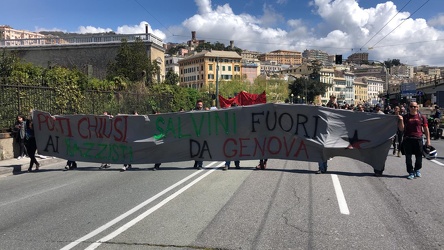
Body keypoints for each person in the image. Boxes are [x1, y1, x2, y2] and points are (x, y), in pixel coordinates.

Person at [398, 102, 430, 180]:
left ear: (417, 107)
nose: (413, 108)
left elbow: (426, 129)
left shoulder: (422, 117)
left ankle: (417, 169)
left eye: (415, 107)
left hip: (418, 139)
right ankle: (411, 172)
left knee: (419, 157)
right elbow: (401, 129)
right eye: (411, 106)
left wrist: (428, 139)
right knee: (408, 157)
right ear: (409, 107)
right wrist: (401, 120)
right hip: (407, 139)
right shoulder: (405, 117)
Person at [193, 100, 205, 170]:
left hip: (202, 134)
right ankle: (196, 161)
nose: (199, 106)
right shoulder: (193, 112)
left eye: (200, 105)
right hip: (195, 133)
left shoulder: (205, 112)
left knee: (201, 149)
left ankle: (200, 164)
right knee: (195, 149)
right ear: (196, 105)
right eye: (198, 104)